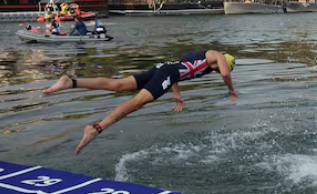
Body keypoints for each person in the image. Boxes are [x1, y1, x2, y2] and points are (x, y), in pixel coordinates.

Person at [42, 50, 237, 154]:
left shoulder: (200, 58)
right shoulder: (216, 55)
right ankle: (96, 128)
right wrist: (230, 88)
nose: (218, 71)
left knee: (118, 85)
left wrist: (176, 94)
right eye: (219, 69)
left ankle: (71, 82)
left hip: (163, 68)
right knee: (137, 102)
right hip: (167, 72)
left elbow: (176, 70)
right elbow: (226, 73)